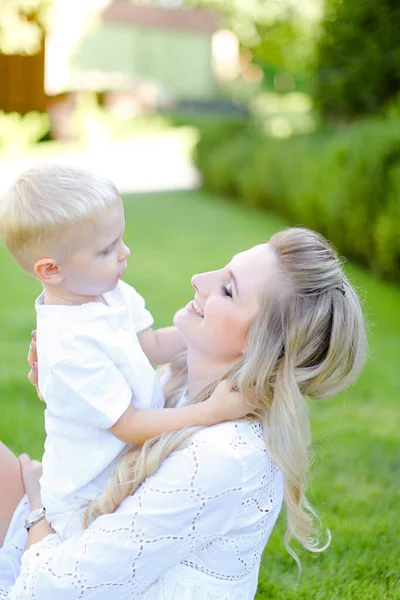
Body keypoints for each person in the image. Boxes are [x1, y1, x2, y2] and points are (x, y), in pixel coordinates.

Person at [0, 227, 367, 599]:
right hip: (77, 537)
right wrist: (71, 393)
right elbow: (115, 439)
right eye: (222, 271)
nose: (199, 280)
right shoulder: (182, 381)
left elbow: (52, 589)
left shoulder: (222, 456)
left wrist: (38, 507)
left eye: (227, 289)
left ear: (261, 345)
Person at [0, 164, 246, 540]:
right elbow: (129, 425)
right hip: (87, 499)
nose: (125, 253)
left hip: (125, 473)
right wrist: (210, 412)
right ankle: (37, 520)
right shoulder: (69, 347)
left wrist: (216, 328)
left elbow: (151, 346)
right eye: (107, 249)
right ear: (51, 270)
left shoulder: (111, 292)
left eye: (121, 239)